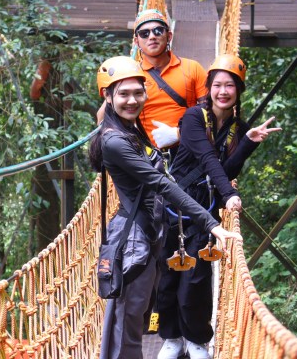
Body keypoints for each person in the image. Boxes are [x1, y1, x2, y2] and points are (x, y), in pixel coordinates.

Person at [89, 56, 242, 359]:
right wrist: (210, 223)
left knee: (139, 314)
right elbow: (162, 184)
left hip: (149, 236)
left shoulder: (131, 128)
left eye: (137, 93)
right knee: (128, 323)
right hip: (135, 240)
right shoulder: (115, 141)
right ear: (107, 97)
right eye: (123, 94)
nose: (132, 100)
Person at [156, 54, 281, 359]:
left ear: (238, 91)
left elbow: (227, 170)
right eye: (218, 85)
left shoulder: (238, 127)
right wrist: (230, 195)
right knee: (167, 277)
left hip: (204, 211)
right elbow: (209, 161)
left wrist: (249, 142)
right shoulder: (192, 118)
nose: (223, 91)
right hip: (175, 204)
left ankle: (197, 339)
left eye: (230, 86)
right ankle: (172, 338)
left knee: (196, 281)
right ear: (209, 88)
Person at [97, 9, 208, 157]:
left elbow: (212, 115)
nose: (152, 37)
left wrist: (179, 133)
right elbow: (103, 119)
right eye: (144, 33)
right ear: (136, 41)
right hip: (150, 156)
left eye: (158, 31)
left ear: (169, 36)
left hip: (191, 151)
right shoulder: (130, 75)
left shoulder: (192, 68)